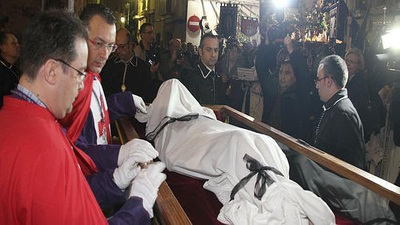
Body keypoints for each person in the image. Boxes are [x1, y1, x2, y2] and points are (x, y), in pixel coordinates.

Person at [0, 10, 166, 224]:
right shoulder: (44, 150)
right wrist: (139, 206)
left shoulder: (13, 117)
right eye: (79, 72)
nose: (82, 83)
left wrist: (114, 181)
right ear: (51, 71)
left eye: (110, 46)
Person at [142, 79, 335, 225]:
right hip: (212, 139)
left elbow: (211, 124)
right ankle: (274, 195)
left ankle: (275, 192)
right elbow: (177, 152)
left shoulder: (198, 114)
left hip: (224, 134)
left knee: (245, 141)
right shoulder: (167, 129)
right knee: (235, 145)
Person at [59, 4, 162, 211]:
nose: (105, 54)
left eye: (110, 46)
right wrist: (118, 155)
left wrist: (127, 101)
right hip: (84, 190)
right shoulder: (69, 86)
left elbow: (97, 112)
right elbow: (72, 148)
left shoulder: (93, 76)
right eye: (98, 43)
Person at [313, 55, 366, 169]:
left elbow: (351, 168)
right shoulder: (334, 107)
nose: (317, 85)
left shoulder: (343, 114)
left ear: (328, 81)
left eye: (318, 79)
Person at [101, 28, 157, 102]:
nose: (118, 51)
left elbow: (147, 95)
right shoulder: (109, 65)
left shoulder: (142, 67)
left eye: (122, 47)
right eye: (116, 47)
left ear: (130, 45)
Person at [345, 48, 385, 142]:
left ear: (359, 65)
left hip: (356, 127)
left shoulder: (360, 82)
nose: (348, 64)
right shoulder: (348, 79)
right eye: (347, 60)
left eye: (352, 62)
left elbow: (359, 106)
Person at [181, 33, 226, 105]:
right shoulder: (191, 79)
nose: (213, 54)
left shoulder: (218, 78)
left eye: (216, 50)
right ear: (200, 51)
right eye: (208, 50)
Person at [0, 32, 20, 107]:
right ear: (3, 48)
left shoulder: (16, 70)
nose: (18, 46)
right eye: (13, 43)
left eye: (18, 43)